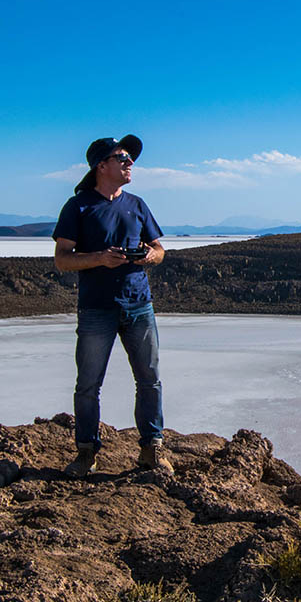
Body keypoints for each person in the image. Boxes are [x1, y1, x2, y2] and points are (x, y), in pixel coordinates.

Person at [52, 134, 173, 477]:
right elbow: (62, 260)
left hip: (139, 305)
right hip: (97, 309)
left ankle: (152, 450)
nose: (129, 163)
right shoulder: (78, 207)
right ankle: (86, 453)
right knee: (88, 383)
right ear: (101, 166)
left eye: (130, 158)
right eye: (122, 157)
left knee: (150, 379)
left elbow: (160, 250)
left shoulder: (137, 204)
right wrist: (100, 259)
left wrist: (150, 256)